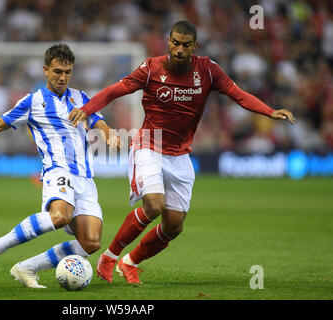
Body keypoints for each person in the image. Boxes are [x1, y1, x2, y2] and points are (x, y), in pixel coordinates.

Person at [68, 20, 296, 285]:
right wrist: (87, 108)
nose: (179, 49)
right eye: (175, 43)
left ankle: (130, 262)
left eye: (185, 45)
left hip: (180, 155)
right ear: (169, 41)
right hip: (148, 145)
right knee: (154, 204)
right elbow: (115, 90)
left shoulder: (208, 70)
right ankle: (109, 257)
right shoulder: (151, 68)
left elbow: (238, 94)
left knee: (174, 225)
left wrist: (269, 111)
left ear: (194, 46)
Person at [0, 44, 120, 288]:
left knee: (91, 242)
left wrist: (109, 134)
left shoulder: (81, 98)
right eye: (57, 71)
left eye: (67, 72)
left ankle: (26, 268)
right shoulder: (33, 102)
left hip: (85, 178)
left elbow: (99, 121)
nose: (62, 77)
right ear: (45, 70)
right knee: (60, 217)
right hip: (57, 171)